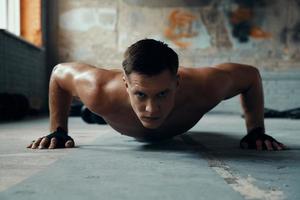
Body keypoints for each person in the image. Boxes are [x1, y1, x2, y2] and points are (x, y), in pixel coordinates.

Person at [27, 39, 286, 150]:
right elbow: (59, 73)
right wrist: (58, 130)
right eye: (141, 94)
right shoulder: (98, 89)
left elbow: (250, 75)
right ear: (126, 85)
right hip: (110, 110)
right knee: (94, 109)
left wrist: (256, 131)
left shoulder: (207, 87)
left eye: (162, 94)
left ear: (177, 83)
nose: (152, 109)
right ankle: (89, 113)